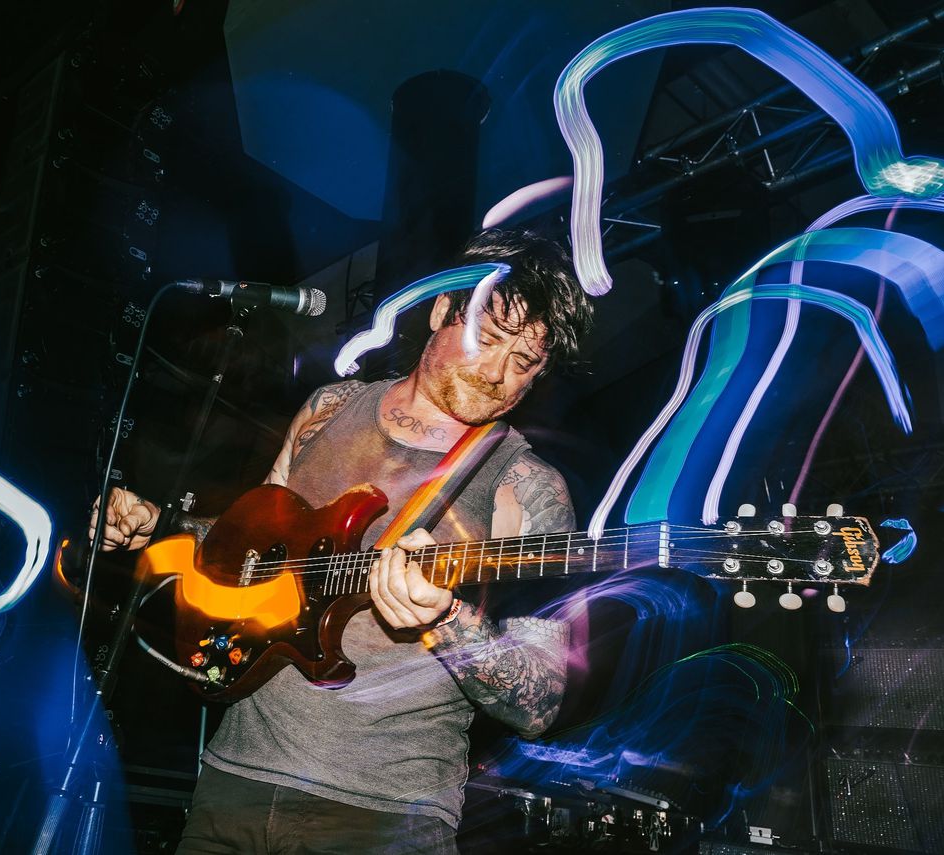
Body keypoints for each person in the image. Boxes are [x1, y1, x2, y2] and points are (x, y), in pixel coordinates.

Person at [91, 228, 593, 854]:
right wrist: (159, 525)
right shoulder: (330, 407)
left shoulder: (527, 487)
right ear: (442, 310)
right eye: (485, 340)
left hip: (383, 815)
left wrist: (448, 620)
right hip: (233, 778)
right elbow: (247, 543)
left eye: (524, 362)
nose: (496, 373)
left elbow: (539, 702)